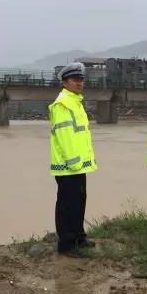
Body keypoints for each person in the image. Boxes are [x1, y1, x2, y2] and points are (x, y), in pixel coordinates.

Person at [49, 62, 97, 257]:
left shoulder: (76, 102)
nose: (79, 83)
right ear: (65, 82)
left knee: (79, 201)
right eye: (75, 80)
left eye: (81, 79)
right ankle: (66, 244)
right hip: (69, 166)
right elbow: (65, 137)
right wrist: (75, 162)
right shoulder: (62, 105)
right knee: (67, 204)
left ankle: (79, 236)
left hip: (78, 166)